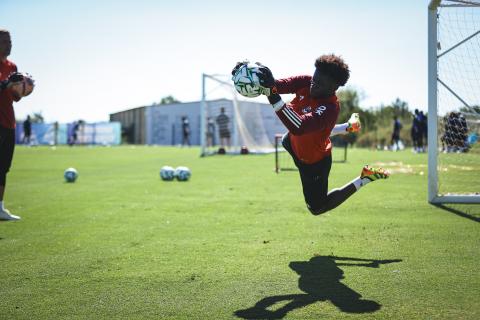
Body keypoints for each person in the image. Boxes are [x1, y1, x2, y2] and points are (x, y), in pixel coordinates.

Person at [233, 54, 389, 216]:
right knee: (293, 138)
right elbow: (275, 86)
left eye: (320, 84)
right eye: (314, 80)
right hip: (292, 143)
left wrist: (272, 94)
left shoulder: (330, 108)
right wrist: (252, 75)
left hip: (314, 163)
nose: (314, 86)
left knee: (317, 208)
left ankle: (365, 177)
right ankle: (347, 127)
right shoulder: (306, 81)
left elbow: (299, 126)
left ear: (334, 87)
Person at [0, 29, 31, 221]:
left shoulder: (13, 66)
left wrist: (23, 89)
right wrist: (6, 83)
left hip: (9, 122)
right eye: (4, 41)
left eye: (10, 41)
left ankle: (0, 208)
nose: (8, 44)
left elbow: (15, 98)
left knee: (3, 168)